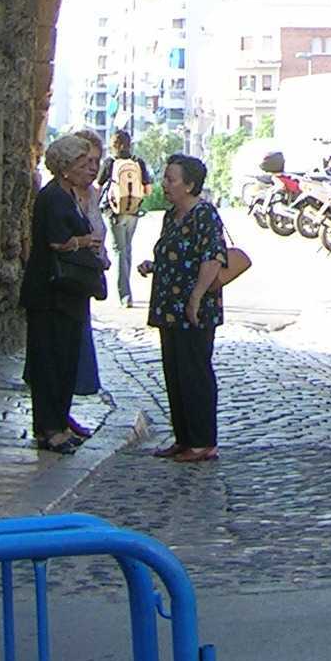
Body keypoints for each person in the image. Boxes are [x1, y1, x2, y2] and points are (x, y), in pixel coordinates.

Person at [137, 154, 227, 464]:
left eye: (171, 179)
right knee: (174, 371)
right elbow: (173, 252)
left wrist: (196, 298)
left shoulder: (205, 215)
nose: (165, 184)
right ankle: (184, 438)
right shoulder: (170, 216)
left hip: (194, 307)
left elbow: (213, 257)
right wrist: (154, 265)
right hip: (168, 306)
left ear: (190, 185)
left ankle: (203, 442)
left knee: (195, 371)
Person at [19, 132, 105, 454]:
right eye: (83, 163)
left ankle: (59, 422)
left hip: (68, 294)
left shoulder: (69, 194)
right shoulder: (54, 196)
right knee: (50, 362)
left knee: (66, 359)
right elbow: (57, 241)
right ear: (66, 167)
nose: (89, 169)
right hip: (50, 293)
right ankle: (49, 428)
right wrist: (87, 242)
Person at [70, 127, 112, 424]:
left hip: (85, 280)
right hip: (66, 279)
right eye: (87, 161)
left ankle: (65, 414)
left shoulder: (94, 195)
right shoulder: (63, 195)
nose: (93, 167)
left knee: (78, 346)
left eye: (97, 160)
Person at [97, 128, 151, 307]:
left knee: (119, 250)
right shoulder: (138, 162)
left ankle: (125, 296)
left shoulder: (110, 163)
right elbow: (148, 190)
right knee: (127, 249)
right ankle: (127, 291)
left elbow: (98, 186)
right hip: (133, 212)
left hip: (113, 212)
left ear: (113, 145)